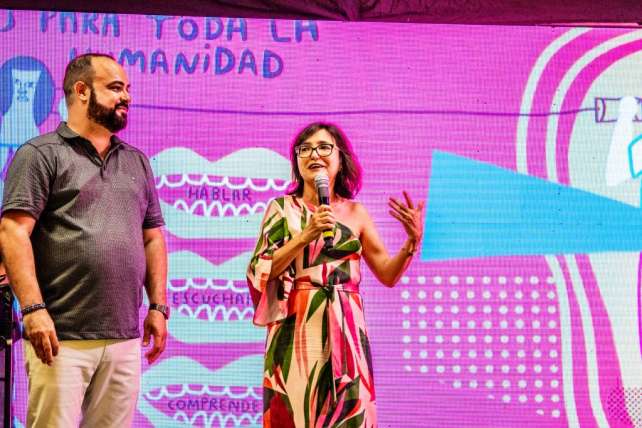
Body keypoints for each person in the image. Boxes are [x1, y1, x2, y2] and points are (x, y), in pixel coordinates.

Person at [0, 53, 168, 427]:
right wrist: (32, 310)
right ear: (81, 91)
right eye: (115, 88)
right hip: (60, 335)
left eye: (127, 89)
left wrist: (158, 306)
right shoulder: (39, 154)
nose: (126, 97)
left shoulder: (137, 161)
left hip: (124, 336)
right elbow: (13, 232)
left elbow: (152, 238)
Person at [247, 122, 424, 427]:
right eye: (305, 149)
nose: (313, 154)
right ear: (297, 162)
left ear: (341, 159)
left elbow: (387, 274)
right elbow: (260, 269)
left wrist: (411, 242)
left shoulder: (356, 213)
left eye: (323, 147)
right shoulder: (281, 208)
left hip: (347, 331)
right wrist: (306, 235)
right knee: (297, 412)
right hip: (297, 329)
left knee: (349, 414)